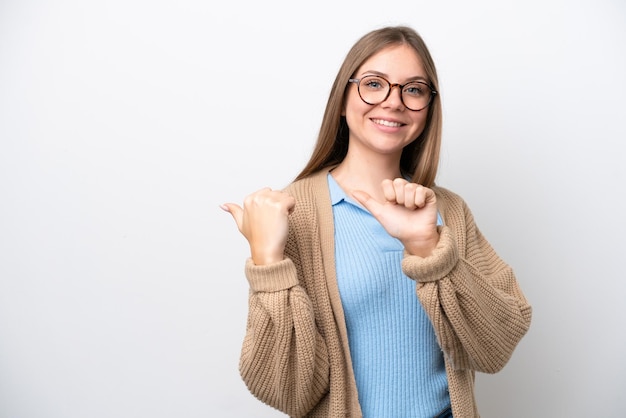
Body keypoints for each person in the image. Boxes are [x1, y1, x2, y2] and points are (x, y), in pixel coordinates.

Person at [220, 25, 532, 418]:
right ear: (342, 99)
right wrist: (267, 262)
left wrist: (428, 249)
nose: (394, 102)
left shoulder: (449, 211)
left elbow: (495, 348)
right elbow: (288, 392)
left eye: (413, 89)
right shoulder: (291, 213)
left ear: (428, 108)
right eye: (374, 84)